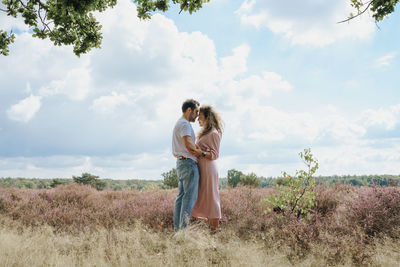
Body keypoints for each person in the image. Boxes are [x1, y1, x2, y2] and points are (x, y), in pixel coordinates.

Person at [172, 99, 205, 231]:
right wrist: (201, 153)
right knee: (189, 198)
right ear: (189, 110)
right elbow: (188, 144)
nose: (197, 115)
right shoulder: (185, 124)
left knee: (181, 198)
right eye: (196, 111)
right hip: (188, 163)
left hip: (181, 163)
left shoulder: (179, 123)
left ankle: (178, 230)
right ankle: (183, 231)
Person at [191, 105, 223, 233]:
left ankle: (215, 229)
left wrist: (200, 153)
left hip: (208, 168)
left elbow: (215, 154)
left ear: (207, 117)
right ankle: (210, 229)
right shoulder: (206, 133)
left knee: (211, 197)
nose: (198, 119)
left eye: (200, 116)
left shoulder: (214, 133)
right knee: (203, 196)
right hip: (202, 167)